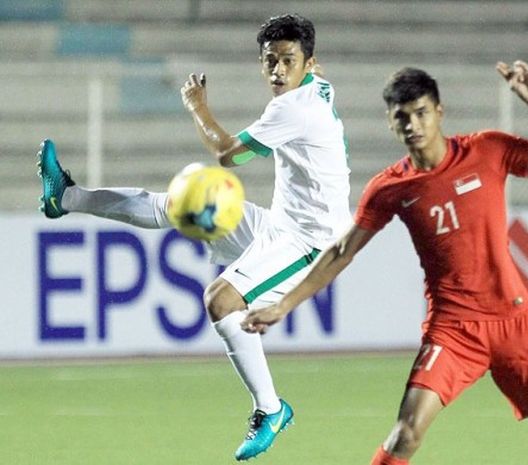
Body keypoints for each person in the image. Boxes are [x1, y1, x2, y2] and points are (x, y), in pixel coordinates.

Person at [36, 14, 351, 461]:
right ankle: (66, 197)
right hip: (281, 224)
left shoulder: (293, 108)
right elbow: (317, 81)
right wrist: (307, 68)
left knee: (221, 300)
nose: (278, 71)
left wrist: (197, 105)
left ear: (308, 61)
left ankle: (272, 408)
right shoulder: (317, 84)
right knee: (176, 204)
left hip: (312, 243)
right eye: (270, 61)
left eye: (288, 61)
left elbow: (225, 153)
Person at [241, 61, 528, 465]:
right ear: (390, 122)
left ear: (439, 112)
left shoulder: (487, 150)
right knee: (406, 432)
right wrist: (283, 304)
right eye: (402, 116)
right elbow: (341, 251)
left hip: (515, 322)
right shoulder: (390, 188)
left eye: (421, 113)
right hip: (453, 330)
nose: (412, 124)